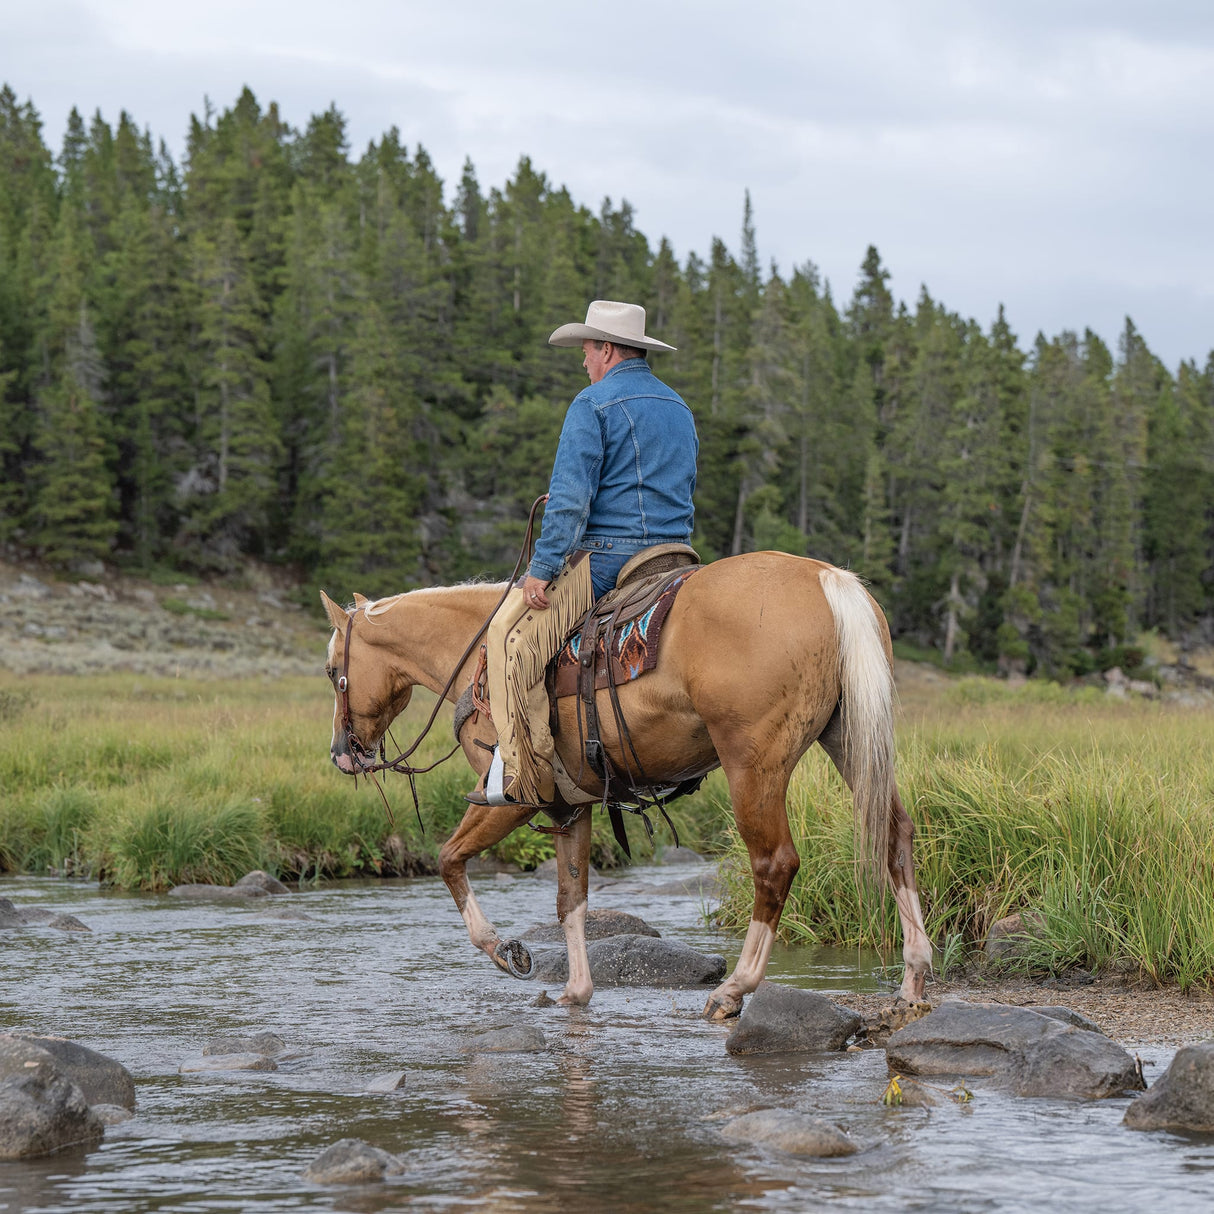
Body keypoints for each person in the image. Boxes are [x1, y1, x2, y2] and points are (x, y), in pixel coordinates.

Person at [468, 300, 699, 807]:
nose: (584, 362)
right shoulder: (679, 407)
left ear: (608, 350)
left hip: (611, 559)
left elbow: (571, 501)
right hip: (677, 555)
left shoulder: (591, 405)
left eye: (588, 350)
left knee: (508, 638)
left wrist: (543, 570)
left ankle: (526, 776)